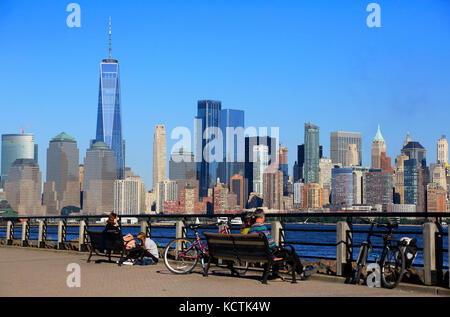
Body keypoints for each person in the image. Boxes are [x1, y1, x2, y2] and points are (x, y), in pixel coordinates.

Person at [248, 208, 317, 280]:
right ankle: (302, 272)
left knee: (287, 252)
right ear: (262, 217)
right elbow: (270, 244)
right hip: (267, 254)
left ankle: (302, 271)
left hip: (258, 253)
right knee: (290, 253)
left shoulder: (252, 228)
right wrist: (277, 247)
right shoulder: (261, 227)